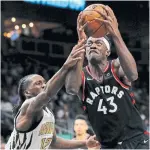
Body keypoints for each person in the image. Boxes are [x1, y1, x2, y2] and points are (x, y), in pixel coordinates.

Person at [65, 4, 149, 149]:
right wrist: (81, 43)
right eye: (89, 44)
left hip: (137, 140)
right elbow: (71, 89)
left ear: (107, 52)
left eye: (98, 43)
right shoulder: (81, 75)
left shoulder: (116, 66)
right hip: (108, 146)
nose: (93, 45)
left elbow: (133, 74)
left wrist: (115, 33)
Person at [5, 44, 100, 149]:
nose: (44, 85)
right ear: (27, 92)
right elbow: (47, 93)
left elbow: (53, 142)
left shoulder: (47, 113)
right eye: (38, 83)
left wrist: (84, 143)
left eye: (44, 82)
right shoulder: (28, 105)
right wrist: (65, 67)